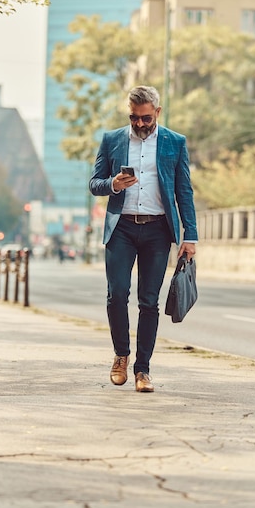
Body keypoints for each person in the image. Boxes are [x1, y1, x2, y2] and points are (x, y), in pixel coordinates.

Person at [89, 85, 198, 392]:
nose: (139, 124)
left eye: (145, 118)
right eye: (134, 118)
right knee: (117, 294)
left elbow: (183, 191)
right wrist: (114, 183)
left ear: (157, 113)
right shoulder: (112, 139)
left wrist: (190, 236)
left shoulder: (175, 142)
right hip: (121, 227)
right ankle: (121, 355)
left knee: (149, 301)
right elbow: (94, 183)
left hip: (157, 230)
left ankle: (143, 370)